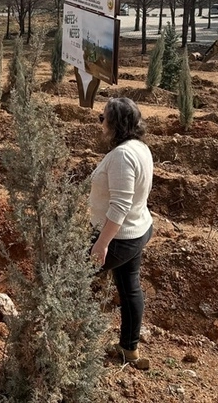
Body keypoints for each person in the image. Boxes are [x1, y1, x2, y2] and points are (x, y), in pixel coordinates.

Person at [89, 98, 155, 370]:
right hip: (137, 230)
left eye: (102, 118)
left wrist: (101, 244)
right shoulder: (139, 147)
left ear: (115, 124)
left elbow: (120, 205)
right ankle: (129, 349)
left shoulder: (122, 156)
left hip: (119, 237)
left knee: (68, 278)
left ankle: (62, 344)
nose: (100, 123)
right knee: (129, 289)